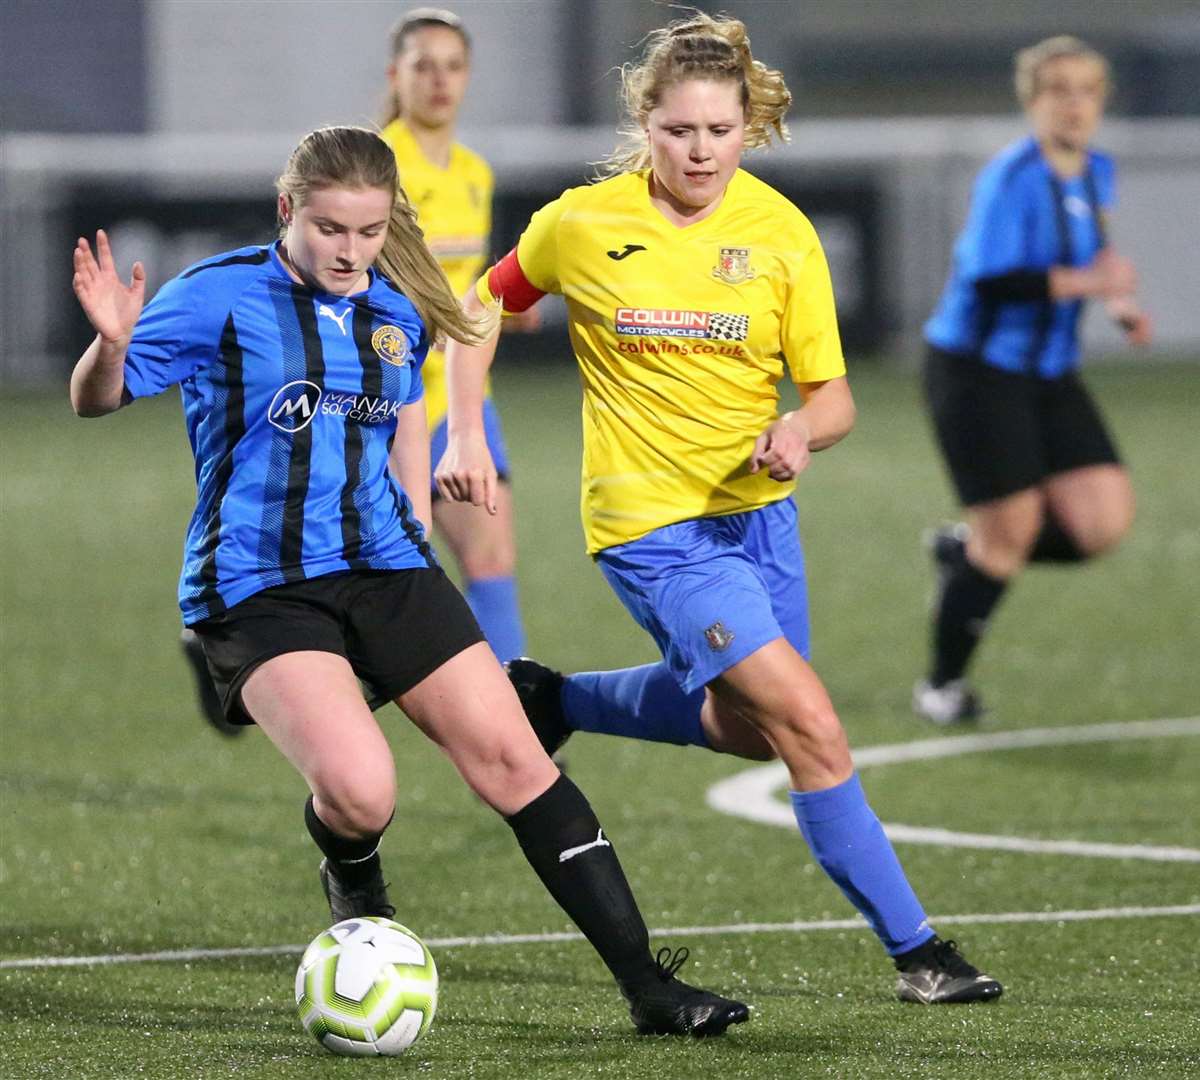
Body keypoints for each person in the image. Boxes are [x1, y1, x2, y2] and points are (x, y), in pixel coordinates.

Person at [68, 125, 748, 1038]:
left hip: (387, 568)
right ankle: (353, 873)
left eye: (369, 230)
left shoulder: (397, 300)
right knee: (363, 791)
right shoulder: (220, 295)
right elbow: (95, 399)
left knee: (516, 762)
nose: (351, 251)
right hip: (261, 584)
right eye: (330, 230)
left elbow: (410, 395)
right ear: (288, 212)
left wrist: (419, 510)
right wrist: (111, 345)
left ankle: (650, 988)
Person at [436, 13, 1002, 1005]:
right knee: (812, 724)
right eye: (678, 131)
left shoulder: (779, 233)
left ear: (748, 129)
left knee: (748, 730)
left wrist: (798, 431)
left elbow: (834, 397)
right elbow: (483, 304)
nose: (698, 150)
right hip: (651, 527)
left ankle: (555, 698)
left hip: (758, 521)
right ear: (645, 123)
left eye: (717, 132)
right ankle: (918, 953)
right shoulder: (583, 222)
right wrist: (467, 430)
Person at [181, 7, 534, 736]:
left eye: (453, 65)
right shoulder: (379, 167)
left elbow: (464, 288)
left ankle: (515, 722)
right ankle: (254, 658)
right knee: (382, 562)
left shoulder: (473, 172)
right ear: (394, 76)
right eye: (423, 65)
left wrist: (500, 311)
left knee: (492, 551)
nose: (439, 81)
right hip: (379, 400)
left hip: (462, 397)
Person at [915, 36, 1151, 725]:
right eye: (1059, 90)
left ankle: (963, 550)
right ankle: (941, 685)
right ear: (1032, 100)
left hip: (1048, 373)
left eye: (1087, 91)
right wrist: (1091, 282)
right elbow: (992, 280)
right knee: (1010, 534)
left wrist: (1120, 305)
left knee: (1101, 524)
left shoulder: (1094, 171)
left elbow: (1092, 259)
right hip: (977, 373)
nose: (1075, 105)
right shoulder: (1011, 177)